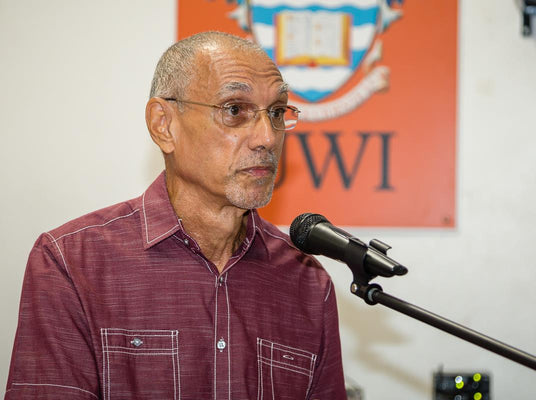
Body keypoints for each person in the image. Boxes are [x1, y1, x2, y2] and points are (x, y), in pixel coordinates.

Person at [5, 31, 346, 399]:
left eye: (277, 112)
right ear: (163, 124)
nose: (267, 137)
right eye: (234, 110)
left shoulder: (307, 282)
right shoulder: (73, 262)